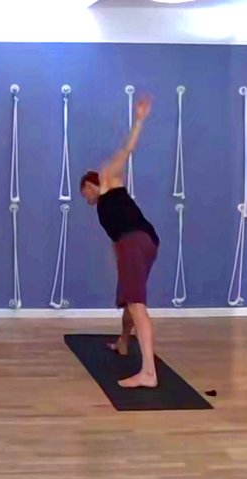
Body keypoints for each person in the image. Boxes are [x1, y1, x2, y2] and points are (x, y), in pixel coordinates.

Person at [81, 92, 161, 389]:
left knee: (136, 304)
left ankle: (149, 373)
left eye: (84, 194)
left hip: (135, 241)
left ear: (90, 185)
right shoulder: (106, 206)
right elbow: (117, 236)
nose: (86, 199)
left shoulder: (106, 178)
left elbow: (127, 150)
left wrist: (139, 120)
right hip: (144, 242)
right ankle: (124, 342)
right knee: (128, 296)